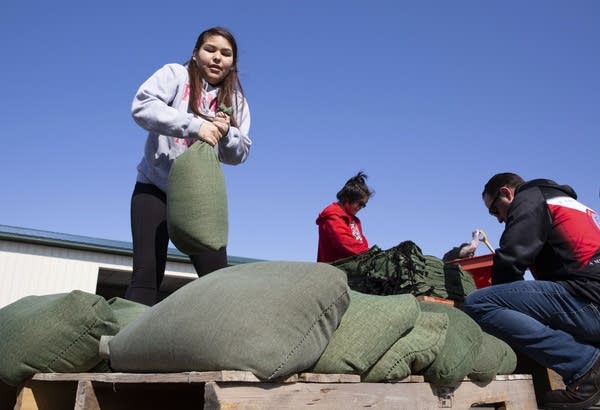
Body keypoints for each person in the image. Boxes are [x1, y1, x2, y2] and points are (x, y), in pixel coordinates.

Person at [125, 27, 252, 306]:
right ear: (195, 54)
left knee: (216, 281)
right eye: (210, 50)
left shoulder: (237, 102)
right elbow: (142, 107)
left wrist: (228, 132)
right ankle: (128, 345)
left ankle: (218, 344)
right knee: (145, 277)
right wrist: (196, 126)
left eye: (225, 53)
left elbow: (239, 154)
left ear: (232, 63)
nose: (217, 57)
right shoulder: (175, 75)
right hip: (154, 188)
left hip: (199, 198)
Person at [462, 172, 600, 409]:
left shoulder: (530, 198)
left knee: (478, 303)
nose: (497, 219)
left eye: (495, 210)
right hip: (590, 297)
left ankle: (584, 366)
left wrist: (502, 308)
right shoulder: (562, 200)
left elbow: (512, 257)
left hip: (589, 301)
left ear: (506, 193)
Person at [316, 172, 374, 263]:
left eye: (364, 205)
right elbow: (344, 243)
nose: (361, 208)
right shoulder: (332, 216)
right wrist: (370, 255)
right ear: (348, 198)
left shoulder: (354, 220)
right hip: (334, 271)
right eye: (360, 204)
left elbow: (362, 244)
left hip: (352, 268)